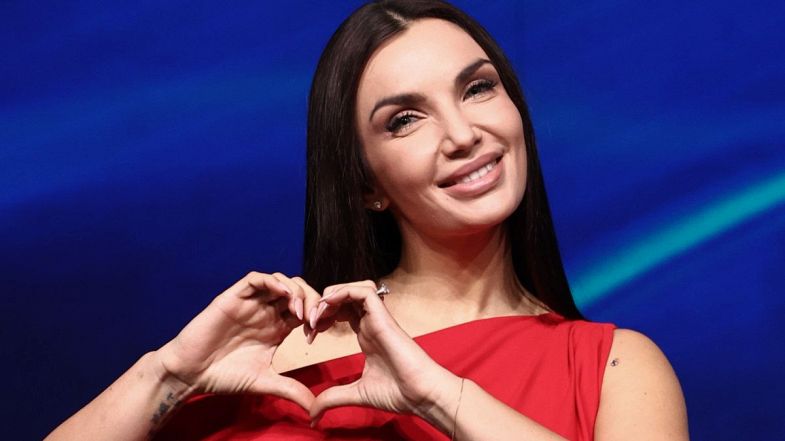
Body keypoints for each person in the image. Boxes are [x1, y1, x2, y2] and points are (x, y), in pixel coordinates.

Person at [46, 1, 689, 440]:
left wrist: (440, 397)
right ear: (365, 186)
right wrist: (168, 374)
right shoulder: (268, 362)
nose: (463, 134)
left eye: (477, 88)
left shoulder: (614, 368)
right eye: (405, 120)